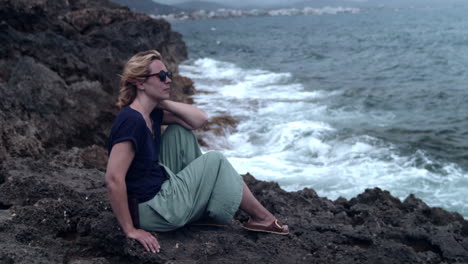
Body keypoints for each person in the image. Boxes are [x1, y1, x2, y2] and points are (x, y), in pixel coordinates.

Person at [105, 50, 288, 254]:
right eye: (162, 76)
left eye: (169, 75)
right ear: (140, 83)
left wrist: (161, 100)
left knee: (180, 132)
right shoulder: (131, 121)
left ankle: (203, 204)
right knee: (215, 160)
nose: (168, 81)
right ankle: (262, 218)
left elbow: (198, 120)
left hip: (156, 191)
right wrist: (130, 230)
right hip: (151, 209)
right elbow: (113, 178)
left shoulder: (151, 114)